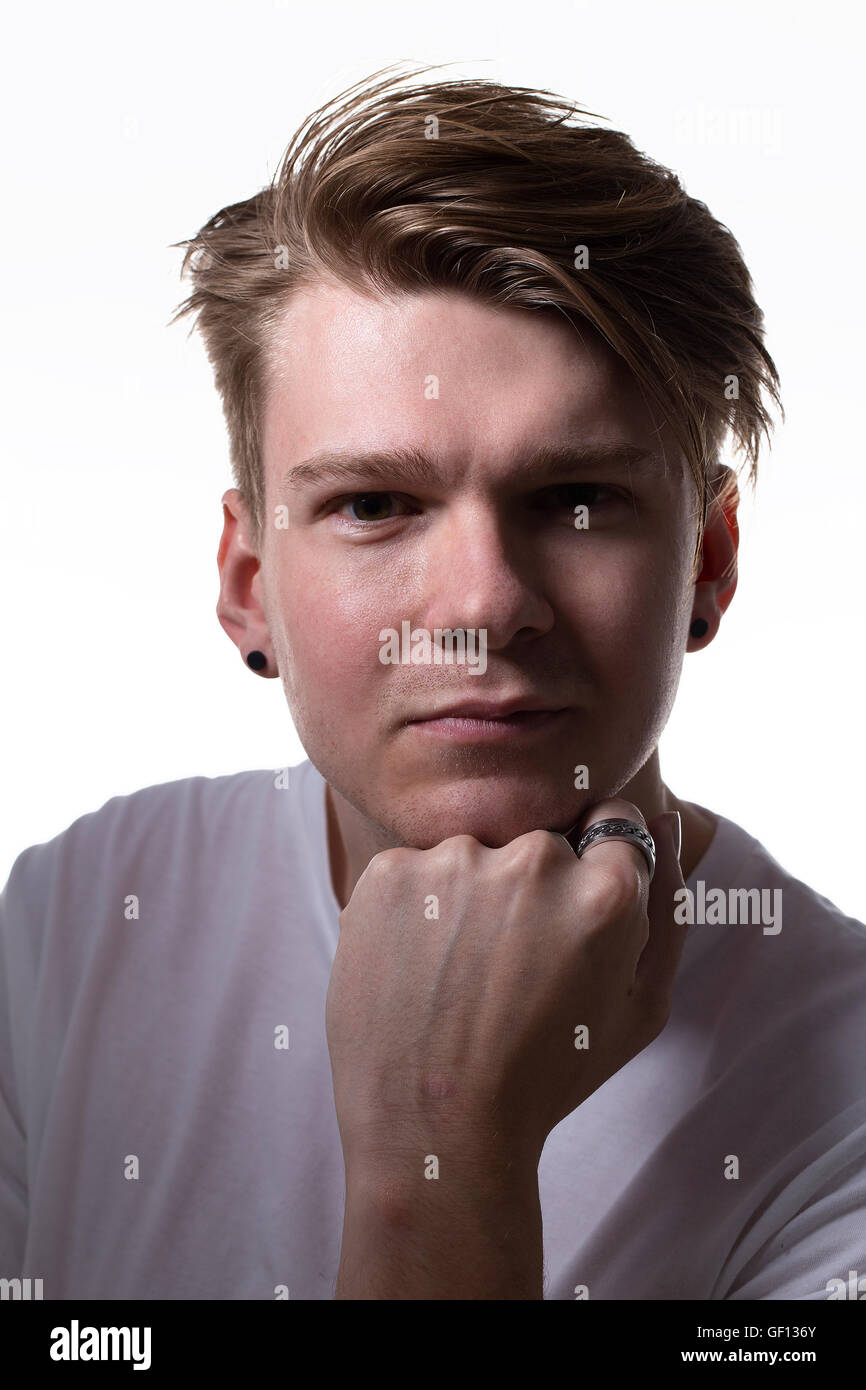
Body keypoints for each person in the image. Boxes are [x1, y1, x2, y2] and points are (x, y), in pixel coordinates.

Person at [2, 63, 864, 1302]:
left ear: (707, 564)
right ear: (250, 579)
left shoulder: (840, 1086)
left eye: (576, 501)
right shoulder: (72, 919)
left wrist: (443, 1153)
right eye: (373, 504)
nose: (479, 605)